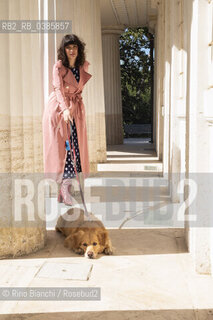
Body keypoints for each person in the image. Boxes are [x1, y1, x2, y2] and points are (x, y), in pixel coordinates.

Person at [42, 34, 92, 206]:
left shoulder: (82, 66)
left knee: (75, 148)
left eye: (75, 47)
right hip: (58, 109)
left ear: (79, 49)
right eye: (68, 48)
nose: (72, 51)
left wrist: (72, 108)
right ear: (64, 50)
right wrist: (64, 109)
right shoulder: (59, 67)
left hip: (75, 109)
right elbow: (57, 88)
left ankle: (66, 190)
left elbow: (77, 90)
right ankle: (64, 188)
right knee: (63, 150)